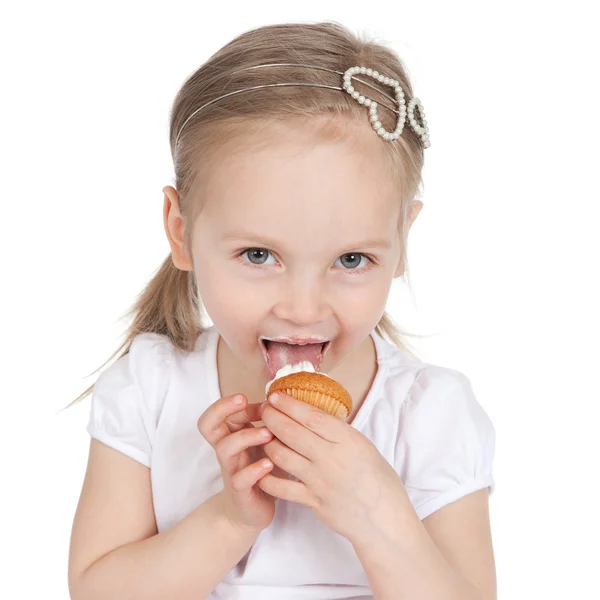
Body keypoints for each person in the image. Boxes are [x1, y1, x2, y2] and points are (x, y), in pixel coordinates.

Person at [67, 21, 497, 600]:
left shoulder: (430, 416)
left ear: (401, 239)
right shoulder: (149, 389)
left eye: (350, 259)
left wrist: (378, 516)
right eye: (259, 254)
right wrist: (229, 520)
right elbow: (97, 590)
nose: (302, 308)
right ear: (182, 231)